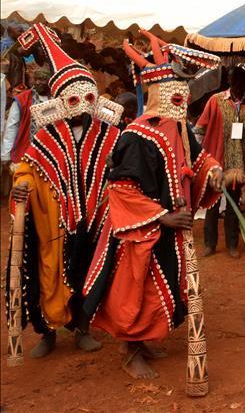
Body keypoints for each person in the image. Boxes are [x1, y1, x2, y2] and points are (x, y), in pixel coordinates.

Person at [82, 32, 224, 379]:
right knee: (137, 287)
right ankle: (131, 350)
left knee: (163, 285)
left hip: (174, 227)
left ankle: (144, 341)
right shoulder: (137, 135)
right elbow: (122, 190)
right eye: (176, 92)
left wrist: (214, 171)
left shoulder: (179, 128)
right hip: (143, 230)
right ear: (159, 93)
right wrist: (164, 217)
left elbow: (198, 157)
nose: (182, 98)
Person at [6, 24, 124, 358]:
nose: (83, 105)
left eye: (89, 96)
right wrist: (22, 185)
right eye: (75, 98)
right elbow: (28, 167)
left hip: (95, 220)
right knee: (49, 272)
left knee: (89, 271)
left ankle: (82, 326)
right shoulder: (45, 137)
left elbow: (121, 168)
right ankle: (49, 333)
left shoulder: (109, 134)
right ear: (61, 100)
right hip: (54, 222)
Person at [194, 65, 245, 258]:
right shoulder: (215, 101)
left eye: (241, 80)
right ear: (228, 81)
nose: (237, 84)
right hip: (216, 162)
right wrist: (199, 158)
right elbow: (200, 129)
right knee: (212, 204)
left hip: (238, 166)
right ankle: (210, 244)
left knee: (234, 206)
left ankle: (232, 244)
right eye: (234, 80)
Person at [1, 63, 52, 167]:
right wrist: (5, 155)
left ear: (49, 82)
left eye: (43, 79)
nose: (38, 82)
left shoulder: (55, 99)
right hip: (25, 151)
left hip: (49, 153)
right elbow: (12, 126)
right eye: (36, 79)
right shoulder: (22, 99)